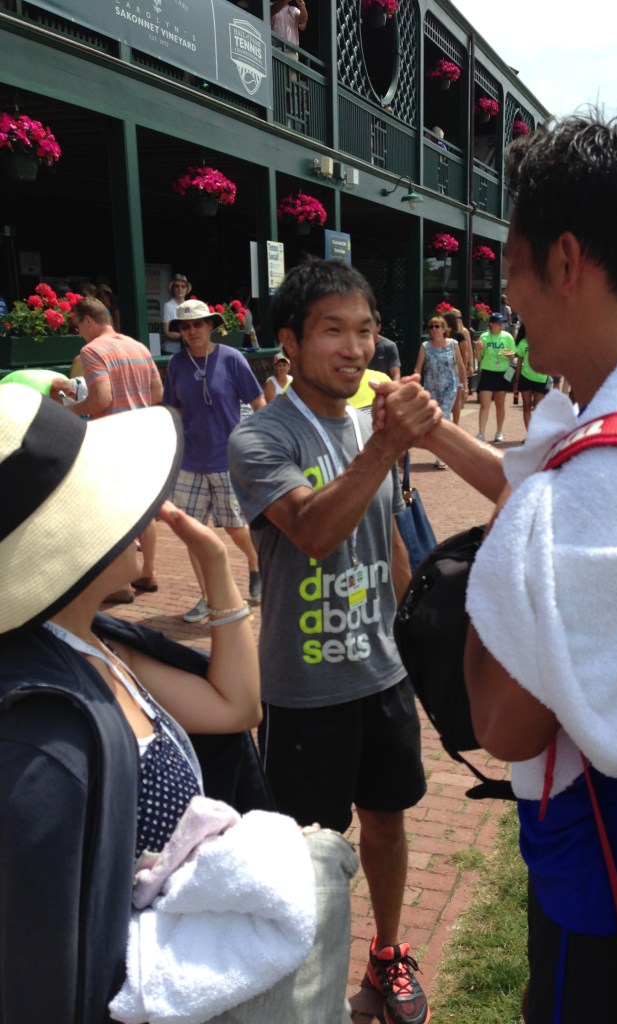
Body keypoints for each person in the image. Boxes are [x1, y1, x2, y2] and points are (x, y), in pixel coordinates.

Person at [400, 110, 617, 1023]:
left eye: (507, 267)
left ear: (563, 261)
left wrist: (493, 578)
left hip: (608, 875)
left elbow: (505, 726)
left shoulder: (601, 481)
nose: (505, 295)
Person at [0, 381, 263, 1023]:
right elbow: (44, 968)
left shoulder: (90, 642)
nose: (141, 518)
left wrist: (218, 571)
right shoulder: (39, 726)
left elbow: (236, 708)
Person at [228, 259, 439, 1024]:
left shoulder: (366, 422)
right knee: (309, 854)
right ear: (289, 339)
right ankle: (309, 988)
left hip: (379, 675)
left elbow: (385, 533)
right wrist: (384, 444)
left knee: (387, 820)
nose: (355, 349)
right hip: (302, 688)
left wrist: (407, 626)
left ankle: (387, 957)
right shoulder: (259, 437)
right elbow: (314, 531)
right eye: (333, 331)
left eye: (366, 330)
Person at [162, 299, 265, 620]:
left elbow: (258, 402)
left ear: (210, 326)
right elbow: (173, 409)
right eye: (185, 326)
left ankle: (256, 562)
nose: (191, 331)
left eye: (198, 324)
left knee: (235, 527)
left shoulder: (232, 359)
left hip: (226, 458)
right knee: (193, 533)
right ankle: (208, 597)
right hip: (190, 462)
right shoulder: (177, 364)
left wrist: (265, 446)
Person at [62, 295, 164, 602]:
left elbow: (101, 399)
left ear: (89, 320)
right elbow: (157, 392)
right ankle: (148, 573)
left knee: (114, 514)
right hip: (143, 435)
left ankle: (121, 585)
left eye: (77, 324)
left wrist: (70, 411)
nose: (78, 331)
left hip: (114, 439)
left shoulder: (92, 351)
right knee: (144, 512)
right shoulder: (139, 347)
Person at [413, 314, 467, 467]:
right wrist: (415, 384)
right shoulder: (425, 347)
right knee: (436, 420)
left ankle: (444, 455)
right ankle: (444, 450)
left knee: (443, 416)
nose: (434, 329)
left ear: (444, 329)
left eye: (437, 326)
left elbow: (460, 366)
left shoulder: (453, 344)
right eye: (431, 327)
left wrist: (464, 386)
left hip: (450, 386)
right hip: (432, 387)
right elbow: (418, 368)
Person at [475, 311, 516, 442]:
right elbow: (480, 358)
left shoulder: (508, 337)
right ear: (492, 324)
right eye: (498, 322)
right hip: (487, 372)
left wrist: (507, 354)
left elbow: (513, 358)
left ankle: (499, 431)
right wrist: (477, 349)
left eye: (502, 322)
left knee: (500, 404)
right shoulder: (484, 337)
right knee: (484, 404)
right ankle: (481, 433)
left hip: (502, 372)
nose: (501, 325)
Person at [511, 322, 548, 430]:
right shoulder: (522, 343)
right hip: (525, 377)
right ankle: (530, 435)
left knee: (538, 409)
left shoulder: (544, 342)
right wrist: (516, 380)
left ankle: (537, 433)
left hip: (541, 378)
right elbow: (518, 363)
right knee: (526, 407)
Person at [443, 308, 473, 416]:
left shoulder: (460, 335)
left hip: (456, 370)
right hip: (444, 371)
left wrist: (465, 370)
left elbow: (466, 352)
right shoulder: (441, 335)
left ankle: (455, 425)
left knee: (456, 403)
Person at [162, 274, 193, 355]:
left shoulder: (189, 306)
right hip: (171, 351)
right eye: (177, 286)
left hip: (187, 350)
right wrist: (186, 337)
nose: (180, 288)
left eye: (183, 286)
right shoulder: (168, 306)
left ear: (187, 289)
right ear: (173, 288)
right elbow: (166, 332)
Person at [368, 311, 401, 380]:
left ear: (378, 327)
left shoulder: (389, 346)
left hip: (384, 388)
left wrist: (394, 388)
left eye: (371, 326)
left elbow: (396, 374)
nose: (368, 330)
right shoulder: (357, 347)